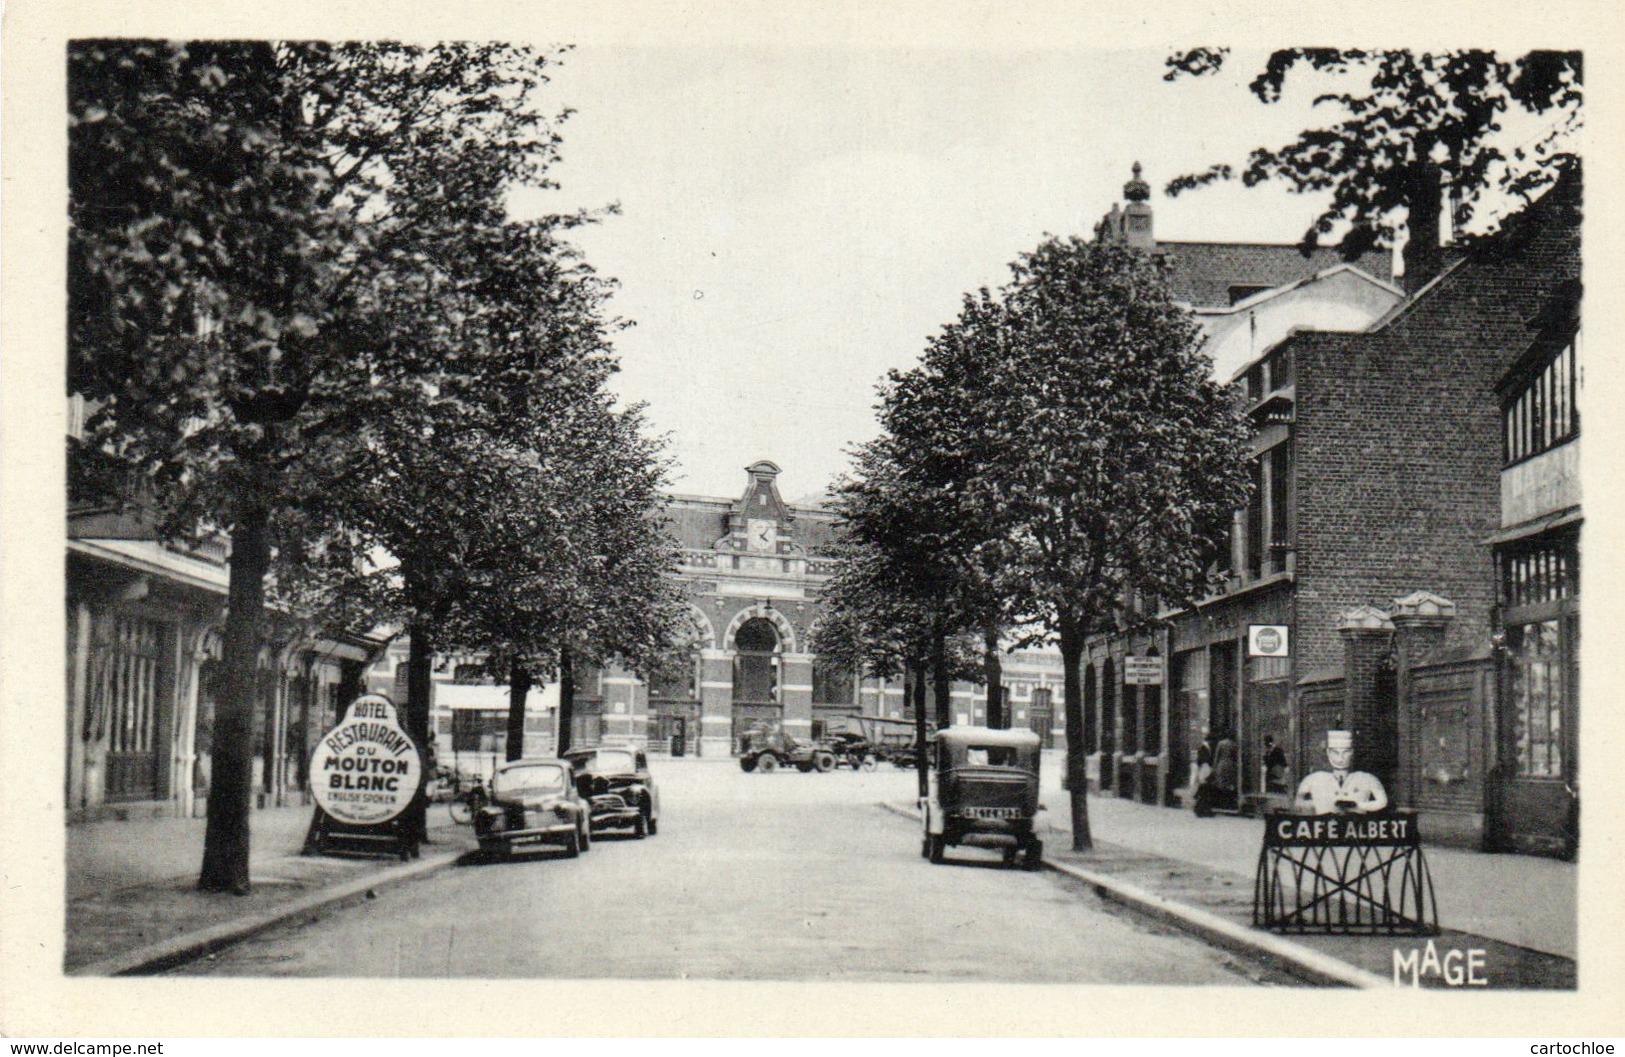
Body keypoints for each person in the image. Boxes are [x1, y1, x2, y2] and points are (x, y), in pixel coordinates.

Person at [1294, 729, 1388, 814]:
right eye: (1335, 753)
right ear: (1328, 753)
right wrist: (1320, 803)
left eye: (1345, 752)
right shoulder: (1314, 779)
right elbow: (1298, 802)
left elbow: (1382, 802)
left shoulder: (1366, 779)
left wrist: (1359, 805)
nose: (1340, 758)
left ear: (1351, 752)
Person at [1191, 727, 1216, 817]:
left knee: (1204, 789)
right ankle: (1201, 809)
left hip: (1204, 769)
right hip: (1204, 769)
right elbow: (1201, 760)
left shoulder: (1204, 747)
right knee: (1204, 789)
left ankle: (1201, 809)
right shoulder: (1204, 747)